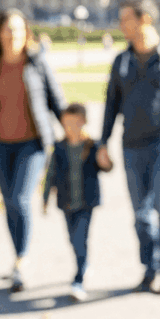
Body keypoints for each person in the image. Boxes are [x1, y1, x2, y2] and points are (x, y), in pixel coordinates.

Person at [99, 0, 160, 294]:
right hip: (131, 146)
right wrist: (103, 142)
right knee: (140, 213)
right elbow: (110, 104)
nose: (120, 25)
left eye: (125, 19)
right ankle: (148, 267)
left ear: (144, 20)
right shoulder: (122, 60)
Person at [0, 8, 66, 293]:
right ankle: (17, 255)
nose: (13, 36)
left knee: (20, 200)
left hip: (32, 144)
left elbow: (55, 101)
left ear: (26, 34)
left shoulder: (37, 63)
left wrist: (72, 131)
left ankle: (20, 262)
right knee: (9, 202)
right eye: (8, 30)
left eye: (18, 30)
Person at [42, 103, 113, 302]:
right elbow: (51, 174)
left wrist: (107, 162)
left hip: (86, 202)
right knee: (73, 239)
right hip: (66, 202)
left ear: (83, 122)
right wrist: (45, 198)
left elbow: (107, 166)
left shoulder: (92, 145)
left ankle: (78, 280)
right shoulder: (59, 146)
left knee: (80, 238)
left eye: (73, 123)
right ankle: (84, 263)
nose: (69, 127)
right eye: (66, 123)